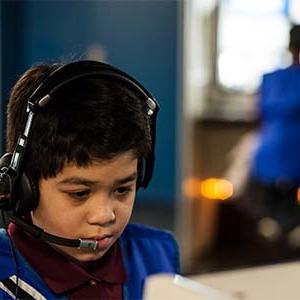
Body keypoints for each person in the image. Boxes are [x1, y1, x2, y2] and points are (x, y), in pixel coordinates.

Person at [0, 60, 180, 299]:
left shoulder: (157, 254)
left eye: (122, 189)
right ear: (24, 188)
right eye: (80, 193)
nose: (105, 215)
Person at [243, 25, 300, 245]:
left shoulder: (270, 78)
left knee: (270, 209)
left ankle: (272, 228)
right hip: (293, 158)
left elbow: (258, 112)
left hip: (266, 157)